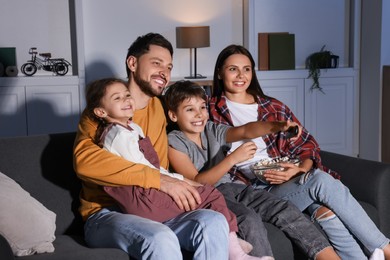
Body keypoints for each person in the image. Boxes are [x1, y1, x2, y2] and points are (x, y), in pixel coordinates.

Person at [207, 44, 390, 260]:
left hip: (288, 180)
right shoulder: (209, 110)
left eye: (247, 69)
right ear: (220, 72)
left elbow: (307, 145)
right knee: (321, 181)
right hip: (255, 189)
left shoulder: (273, 107)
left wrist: (298, 170)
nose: (241, 76)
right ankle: (386, 249)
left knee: (324, 211)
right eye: (233, 69)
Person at [73, 33, 231, 260]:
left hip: (154, 204)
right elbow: (84, 163)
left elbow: (194, 117)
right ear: (133, 63)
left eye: (168, 67)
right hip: (106, 213)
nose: (164, 73)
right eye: (156, 63)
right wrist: (160, 180)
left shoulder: (159, 107)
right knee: (160, 237)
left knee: (214, 221)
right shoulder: (100, 114)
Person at [84, 77, 267, 260]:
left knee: (212, 212)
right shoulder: (117, 135)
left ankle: (229, 241)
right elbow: (143, 167)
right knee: (208, 194)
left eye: (127, 95)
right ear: (100, 111)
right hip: (141, 194)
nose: (126, 100)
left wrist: (179, 180)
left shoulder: (134, 126)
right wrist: (178, 180)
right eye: (117, 98)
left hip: (148, 190)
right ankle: (234, 249)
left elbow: (151, 166)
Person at [165, 80, 341, 260]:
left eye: (202, 107)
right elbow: (198, 182)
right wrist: (232, 159)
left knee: (283, 208)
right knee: (249, 219)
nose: (199, 115)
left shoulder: (211, 129)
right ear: (173, 115)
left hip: (234, 188)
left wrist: (278, 126)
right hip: (209, 198)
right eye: (190, 109)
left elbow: (246, 131)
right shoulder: (174, 142)